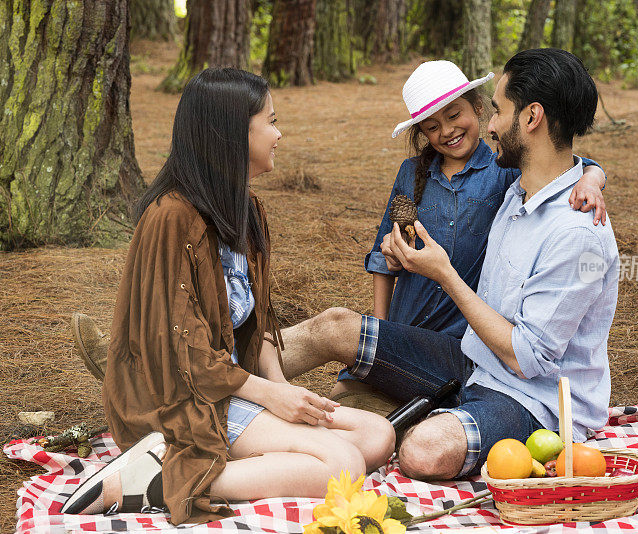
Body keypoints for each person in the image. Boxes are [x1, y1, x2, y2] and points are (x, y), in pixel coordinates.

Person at [61, 68, 395, 525]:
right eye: (271, 121)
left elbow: (254, 328)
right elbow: (184, 356)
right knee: (343, 464)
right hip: (185, 400)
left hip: (234, 386)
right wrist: (271, 400)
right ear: (234, 134)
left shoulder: (246, 210)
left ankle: (223, 466)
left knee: (378, 436)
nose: (279, 134)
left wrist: (282, 390)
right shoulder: (169, 219)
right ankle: (159, 482)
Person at [276, 48, 619, 481]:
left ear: (531, 118)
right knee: (334, 326)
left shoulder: (576, 235)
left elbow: (526, 360)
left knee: (425, 450)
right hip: (470, 357)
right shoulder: (518, 192)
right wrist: (592, 172)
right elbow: (568, 164)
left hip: (530, 396)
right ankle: (215, 376)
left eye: (497, 111)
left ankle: (404, 419)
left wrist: (443, 274)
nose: (491, 125)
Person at [328, 60, 608, 402]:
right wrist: (382, 327)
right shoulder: (411, 173)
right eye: (432, 127)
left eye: (453, 115)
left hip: (457, 339)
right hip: (404, 325)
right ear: (423, 134)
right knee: (340, 397)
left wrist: (593, 177)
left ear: (477, 108)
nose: (446, 131)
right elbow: (380, 259)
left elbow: (567, 161)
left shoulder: (503, 172)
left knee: (379, 412)